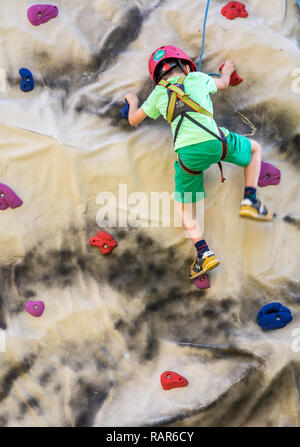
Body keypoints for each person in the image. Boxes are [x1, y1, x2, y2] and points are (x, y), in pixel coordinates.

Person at [124, 45, 274, 280]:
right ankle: (250, 200)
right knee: (255, 149)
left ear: (158, 77)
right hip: (216, 143)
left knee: (184, 208)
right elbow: (223, 83)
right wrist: (227, 70)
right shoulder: (197, 78)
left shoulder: (157, 95)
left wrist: (132, 101)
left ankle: (203, 252)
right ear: (185, 66)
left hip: (188, 156)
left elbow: (133, 120)